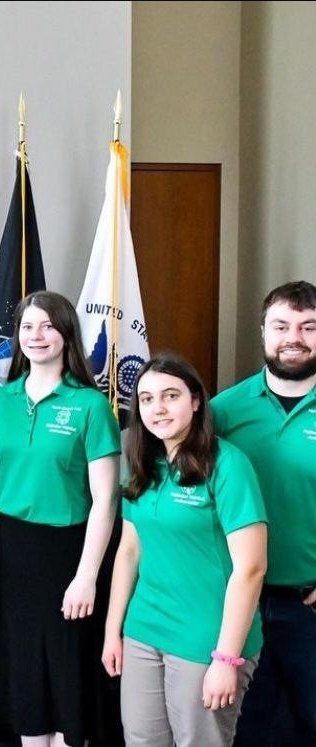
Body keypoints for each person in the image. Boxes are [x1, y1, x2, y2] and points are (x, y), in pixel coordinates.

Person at [0, 290, 120, 747]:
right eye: (27, 327)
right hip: (13, 551)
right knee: (24, 669)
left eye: (47, 326)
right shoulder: (0, 402)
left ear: (66, 333)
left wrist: (87, 576)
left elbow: (105, 501)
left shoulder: (91, 406)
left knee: (67, 670)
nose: (37, 336)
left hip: (71, 550)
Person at [102, 353, 267, 746]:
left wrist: (227, 659)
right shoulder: (142, 463)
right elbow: (128, 550)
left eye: (170, 395)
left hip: (205, 639)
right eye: (146, 398)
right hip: (144, 630)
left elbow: (251, 568)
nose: (157, 408)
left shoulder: (228, 465)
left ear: (195, 401)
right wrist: (113, 631)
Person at [212, 280, 316, 745]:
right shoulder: (221, 412)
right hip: (238, 606)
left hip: (308, 608)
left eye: (308, 327)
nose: (293, 336)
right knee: (243, 730)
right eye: (281, 325)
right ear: (262, 332)